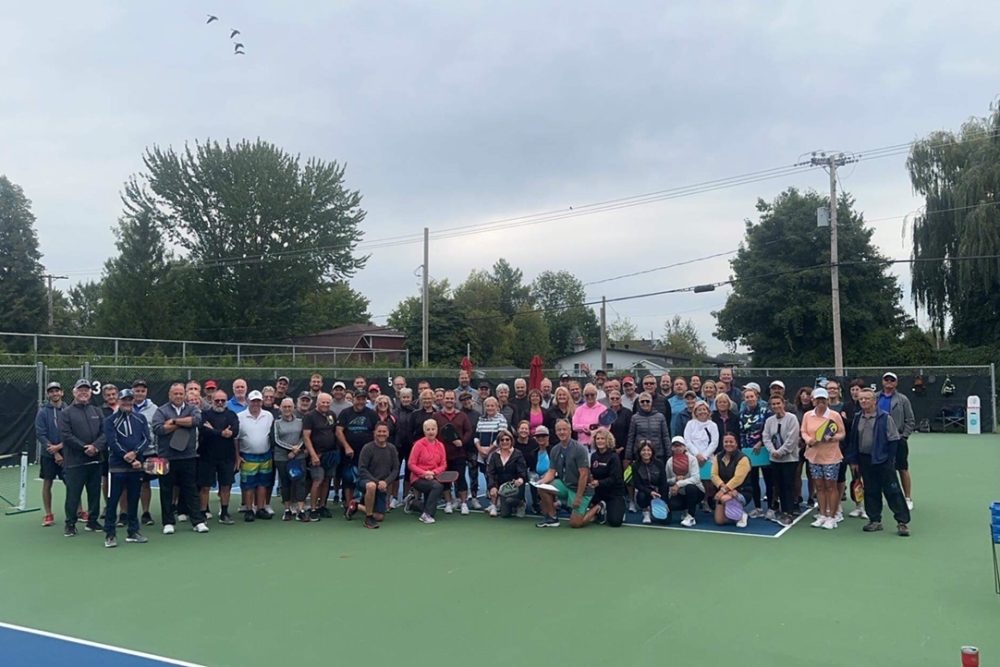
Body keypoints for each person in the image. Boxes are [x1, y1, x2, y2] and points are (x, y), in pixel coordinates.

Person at [844, 388, 911, 536]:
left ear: (874, 401)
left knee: (893, 491)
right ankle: (875, 520)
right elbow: (853, 441)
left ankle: (902, 522)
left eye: (867, 398)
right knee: (871, 491)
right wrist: (854, 460)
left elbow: (894, 440)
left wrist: (889, 460)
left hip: (883, 461)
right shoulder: (857, 418)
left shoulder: (885, 418)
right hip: (864, 460)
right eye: (861, 399)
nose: (863, 401)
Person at [152, 382, 208, 534]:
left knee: (191, 489)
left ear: (184, 395)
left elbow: (196, 421)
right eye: (175, 393)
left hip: (188, 456)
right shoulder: (161, 410)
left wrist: (175, 421)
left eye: (180, 393)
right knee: (165, 491)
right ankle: (168, 522)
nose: (178, 396)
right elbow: (158, 429)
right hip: (163, 458)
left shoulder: (193, 409)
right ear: (170, 395)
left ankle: (197, 521)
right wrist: (185, 423)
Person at [102, 389, 150, 547]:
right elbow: (112, 442)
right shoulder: (110, 421)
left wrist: (135, 454)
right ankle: (110, 534)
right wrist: (127, 457)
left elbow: (146, 439)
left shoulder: (141, 418)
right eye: (124, 400)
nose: (127, 403)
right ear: (119, 401)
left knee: (133, 500)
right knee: (112, 501)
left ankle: (133, 531)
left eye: (130, 400)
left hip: (136, 468)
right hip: (116, 468)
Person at [59, 379, 106, 536]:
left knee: (94, 493)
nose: (83, 393)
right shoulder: (66, 413)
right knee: (73, 494)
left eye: (86, 390)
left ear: (91, 393)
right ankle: (70, 523)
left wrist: (95, 447)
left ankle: (92, 522)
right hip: (75, 462)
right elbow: (66, 436)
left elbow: (105, 433)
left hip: (95, 460)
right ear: (74, 392)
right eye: (80, 390)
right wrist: (84, 447)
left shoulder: (97, 411)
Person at [800, 387, 846, 529]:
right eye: (818, 399)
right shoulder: (808, 415)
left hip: (831, 457)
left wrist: (831, 437)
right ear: (813, 401)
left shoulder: (834, 415)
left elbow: (842, 434)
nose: (821, 402)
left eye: (823, 400)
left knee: (830, 487)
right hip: (814, 456)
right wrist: (808, 440)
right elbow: (803, 431)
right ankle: (822, 514)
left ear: (827, 401)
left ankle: (831, 517)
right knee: (819, 486)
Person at [534, 419, 591, 529]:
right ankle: (552, 518)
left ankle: (597, 508)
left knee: (575, 524)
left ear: (570, 431)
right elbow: (551, 472)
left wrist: (578, 497)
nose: (562, 432)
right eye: (559, 430)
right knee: (542, 488)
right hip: (565, 485)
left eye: (564, 429)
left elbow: (584, 475)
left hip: (581, 490)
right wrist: (541, 482)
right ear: (555, 432)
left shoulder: (579, 449)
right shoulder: (555, 449)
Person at [198, 389, 240, 525]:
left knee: (226, 486)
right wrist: (221, 432)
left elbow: (235, 431)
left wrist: (214, 430)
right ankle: (203, 513)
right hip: (207, 456)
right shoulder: (205, 415)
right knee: (205, 487)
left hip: (227, 457)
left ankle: (224, 512)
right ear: (212, 401)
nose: (220, 403)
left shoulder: (232, 415)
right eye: (217, 400)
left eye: (223, 400)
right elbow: (204, 431)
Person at [336, 390, 379, 519]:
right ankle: (349, 507)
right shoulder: (345, 413)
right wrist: (347, 446)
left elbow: (376, 432)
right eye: (358, 399)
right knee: (348, 479)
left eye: (363, 399)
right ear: (353, 399)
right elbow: (339, 431)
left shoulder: (371, 414)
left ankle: (365, 504)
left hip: (366, 454)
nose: (360, 402)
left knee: (367, 480)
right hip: (349, 453)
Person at [879, 371, 915, 510]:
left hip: (897, 440)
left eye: (892, 380)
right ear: (882, 382)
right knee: (881, 469)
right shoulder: (875, 397)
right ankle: (883, 496)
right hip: (880, 441)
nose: (889, 382)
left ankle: (907, 498)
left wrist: (903, 436)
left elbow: (910, 420)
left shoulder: (902, 399)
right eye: (886, 380)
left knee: (902, 468)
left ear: (896, 383)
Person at [762, 394, 800, 527]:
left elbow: (792, 438)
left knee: (787, 486)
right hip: (774, 459)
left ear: (783, 404)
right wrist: (773, 451)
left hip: (789, 459)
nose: (776, 406)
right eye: (773, 404)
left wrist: (781, 452)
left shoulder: (792, 418)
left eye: (778, 403)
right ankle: (778, 509)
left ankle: (788, 513)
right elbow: (766, 437)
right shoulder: (769, 421)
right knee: (777, 486)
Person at [237, 390, 275, 521]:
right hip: (248, 456)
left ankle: (260, 508)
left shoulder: (268, 415)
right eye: (253, 401)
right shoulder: (240, 416)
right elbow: (235, 439)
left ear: (261, 402)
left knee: (263, 484)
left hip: (266, 455)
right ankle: (249, 509)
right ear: (248, 401)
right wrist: (237, 456)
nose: (256, 403)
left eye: (258, 401)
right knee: (249, 485)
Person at [434, 390, 473, 514]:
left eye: (451, 398)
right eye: (447, 398)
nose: (449, 400)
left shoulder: (462, 416)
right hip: (442, 454)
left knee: (460, 478)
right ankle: (448, 503)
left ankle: (463, 503)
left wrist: (462, 441)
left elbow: (469, 431)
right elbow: (433, 432)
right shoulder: (436, 416)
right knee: (445, 478)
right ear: (443, 400)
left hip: (459, 453)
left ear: (455, 400)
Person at [302, 392, 340, 521]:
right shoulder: (309, 416)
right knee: (317, 480)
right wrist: (313, 455)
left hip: (330, 455)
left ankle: (322, 506)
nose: (325, 405)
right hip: (317, 455)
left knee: (327, 481)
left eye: (327, 402)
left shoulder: (331, 415)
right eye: (323, 402)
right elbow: (306, 437)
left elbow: (334, 432)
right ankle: (312, 508)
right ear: (317, 402)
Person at [355, 423, 400, 528]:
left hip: (382, 486)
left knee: (380, 517)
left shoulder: (392, 448)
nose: (381, 434)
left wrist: (386, 482)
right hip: (365, 482)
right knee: (371, 486)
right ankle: (368, 518)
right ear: (374, 433)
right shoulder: (367, 448)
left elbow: (395, 469)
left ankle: (357, 506)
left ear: (388, 433)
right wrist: (377, 482)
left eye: (384, 431)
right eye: (379, 431)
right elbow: (362, 469)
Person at [35, 381, 66, 527]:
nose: (54, 393)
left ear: (62, 392)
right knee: (48, 483)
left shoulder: (68, 410)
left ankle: (79, 510)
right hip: (48, 455)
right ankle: (48, 514)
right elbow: (41, 434)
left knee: (73, 483)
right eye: (51, 391)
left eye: (57, 391)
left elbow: (72, 432)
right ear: (48, 394)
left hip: (67, 454)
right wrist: (54, 452)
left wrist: (60, 448)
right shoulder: (42, 412)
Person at [581, 427, 625, 527]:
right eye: (598, 439)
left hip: (614, 493)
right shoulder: (594, 456)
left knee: (615, 522)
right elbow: (592, 474)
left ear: (608, 440)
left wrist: (599, 483)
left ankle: (615, 508)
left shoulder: (614, 457)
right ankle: (600, 506)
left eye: (602, 438)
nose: (600, 441)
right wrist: (591, 480)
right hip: (599, 492)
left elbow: (615, 479)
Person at [406, 419, 447, 524]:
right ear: (424, 431)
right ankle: (426, 514)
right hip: (417, 478)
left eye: (433, 429)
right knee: (437, 486)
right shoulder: (418, 445)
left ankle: (412, 503)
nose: (431, 432)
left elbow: (443, 464)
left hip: (434, 477)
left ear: (437, 430)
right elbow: (411, 464)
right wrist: (424, 473)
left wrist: (433, 473)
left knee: (434, 491)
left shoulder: (440, 445)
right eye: (428, 429)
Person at [738, 386, 770, 518]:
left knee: (769, 479)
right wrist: (744, 450)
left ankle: (771, 508)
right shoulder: (742, 414)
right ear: (744, 400)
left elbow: (768, 430)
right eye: (747, 397)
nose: (750, 399)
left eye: (752, 396)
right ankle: (757, 507)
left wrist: (761, 442)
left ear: (756, 397)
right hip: (749, 452)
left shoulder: (765, 411)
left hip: (763, 450)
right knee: (753, 480)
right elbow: (741, 433)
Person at [273, 397, 307, 521]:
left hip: (299, 457)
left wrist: (297, 449)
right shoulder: (276, 423)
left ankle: (300, 510)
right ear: (281, 408)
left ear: (293, 408)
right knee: (285, 483)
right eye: (285, 407)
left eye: (289, 407)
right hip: (282, 458)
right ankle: (287, 510)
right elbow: (276, 440)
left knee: (300, 482)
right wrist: (291, 449)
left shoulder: (300, 421)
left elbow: (304, 437)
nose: (287, 409)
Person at [131, 379, 159, 526]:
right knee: (125, 484)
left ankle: (146, 513)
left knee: (145, 484)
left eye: (142, 391)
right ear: (132, 391)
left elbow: (157, 429)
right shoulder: (125, 405)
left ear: (146, 392)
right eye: (137, 390)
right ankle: (125, 513)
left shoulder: (154, 408)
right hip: (128, 454)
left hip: (149, 452)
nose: (139, 393)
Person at [711, 432, 751, 528]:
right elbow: (713, 475)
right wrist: (722, 488)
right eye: (726, 442)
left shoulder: (743, 459)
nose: (728, 444)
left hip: (742, 491)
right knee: (719, 521)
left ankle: (741, 516)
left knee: (724, 498)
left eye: (731, 441)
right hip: (723, 492)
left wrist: (723, 491)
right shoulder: (718, 457)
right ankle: (734, 513)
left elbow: (738, 479)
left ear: (736, 443)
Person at [485, 430, 528, 518]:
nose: (505, 442)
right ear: (498, 442)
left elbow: (522, 471)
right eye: (502, 440)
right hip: (501, 487)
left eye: (507, 439)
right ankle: (495, 504)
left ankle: (521, 504)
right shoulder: (494, 456)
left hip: (514, 485)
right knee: (505, 515)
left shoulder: (518, 454)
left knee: (510, 500)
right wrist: (492, 486)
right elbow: (490, 473)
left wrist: (520, 479)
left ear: (511, 441)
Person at [665, 436, 705, 527]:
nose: (677, 448)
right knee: (671, 505)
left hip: (697, 491)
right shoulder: (669, 462)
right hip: (678, 493)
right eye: (675, 446)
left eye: (680, 445)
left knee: (690, 487)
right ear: (672, 448)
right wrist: (674, 480)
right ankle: (685, 509)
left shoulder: (692, 459)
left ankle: (691, 516)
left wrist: (678, 484)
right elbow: (667, 480)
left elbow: (696, 479)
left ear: (684, 447)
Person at [630, 440, 665, 523]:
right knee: (641, 496)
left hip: (658, 492)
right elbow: (637, 484)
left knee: (665, 521)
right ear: (639, 452)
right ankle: (646, 512)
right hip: (644, 492)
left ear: (652, 452)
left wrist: (663, 499)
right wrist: (650, 492)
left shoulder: (659, 464)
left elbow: (664, 483)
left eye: (648, 450)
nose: (646, 452)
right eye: (643, 450)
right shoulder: (635, 466)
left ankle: (658, 507)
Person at [572, 383, 607, 448]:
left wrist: (594, 431)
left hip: (599, 445)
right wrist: (587, 427)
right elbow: (574, 426)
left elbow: (607, 426)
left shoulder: (603, 409)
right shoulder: (579, 409)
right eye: (587, 395)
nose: (589, 397)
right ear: (584, 396)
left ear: (596, 395)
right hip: (582, 445)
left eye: (592, 395)